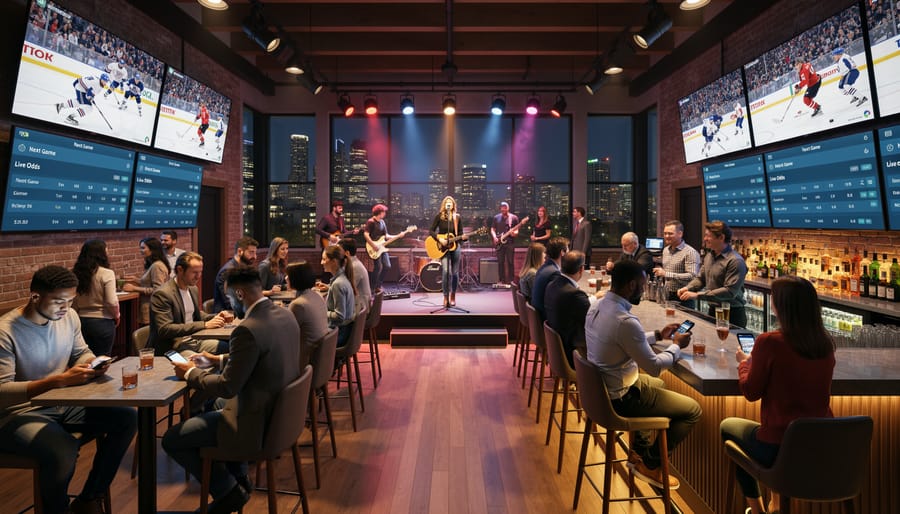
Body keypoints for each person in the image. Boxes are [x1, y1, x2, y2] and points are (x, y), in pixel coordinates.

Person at [162, 266, 301, 514]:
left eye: (229, 297)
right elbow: (262, 357)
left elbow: (227, 387)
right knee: (208, 406)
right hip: (283, 416)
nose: (229, 303)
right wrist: (217, 360)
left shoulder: (247, 329)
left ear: (239, 293)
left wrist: (192, 373)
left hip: (254, 422)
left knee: (173, 439)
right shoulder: (285, 314)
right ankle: (239, 477)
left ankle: (228, 490)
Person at [0, 266, 137, 514]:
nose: (65, 308)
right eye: (59, 301)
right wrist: (58, 381)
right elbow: (2, 392)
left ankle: (88, 499)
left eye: (70, 300)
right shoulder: (6, 331)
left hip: (62, 401)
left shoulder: (69, 317)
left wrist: (91, 362)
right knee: (63, 448)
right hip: (17, 414)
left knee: (127, 417)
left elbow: (80, 352)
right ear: (35, 297)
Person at [721, 276, 835, 514]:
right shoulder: (825, 344)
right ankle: (775, 504)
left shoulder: (769, 342)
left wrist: (744, 364)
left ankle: (758, 510)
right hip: (822, 447)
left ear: (781, 306)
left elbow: (750, 392)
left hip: (778, 447)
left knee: (728, 427)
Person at [585, 260, 701, 490]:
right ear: (630, 286)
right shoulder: (626, 322)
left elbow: (622, 340)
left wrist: (658, 335)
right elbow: (655, 365)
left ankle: (638, 450)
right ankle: (651, 463)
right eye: (642, 285)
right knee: (692, 410)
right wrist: (676, 346)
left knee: (658, 385)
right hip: (620, 399)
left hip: (599, 393)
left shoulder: (596, 306)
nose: (644, 289)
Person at [148, 252, 229, 356]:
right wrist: (204, 325)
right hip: (173, 346)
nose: (198, 276)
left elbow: (195, 314)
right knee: (196, 363)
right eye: (194, 272)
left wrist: (216, 316)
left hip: (194, 339)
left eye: (200, 272)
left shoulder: (193, 289)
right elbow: (165, 329)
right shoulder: (162, 294)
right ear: (180, 270)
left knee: (230, 347)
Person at [677, 220, 748, 328]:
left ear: (721, 237)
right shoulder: (709, 256)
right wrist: (688, 288)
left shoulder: (735, 261)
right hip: (713, 310)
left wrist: (697, 295)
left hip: (732, 313)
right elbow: (701, 279)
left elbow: (729, 291)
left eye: (708, 236)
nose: (705, 239)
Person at [72, 239, 120, 356]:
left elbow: (73, 301)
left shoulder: (75, 273)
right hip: (102, 322)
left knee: (84, 358)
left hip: (81, 321)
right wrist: (116, 315)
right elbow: (111, 301)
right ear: (101, 253)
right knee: (101, 360)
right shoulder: (107, 273)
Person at [544, 251, 591, 367]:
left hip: (557, 351)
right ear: (581, 269)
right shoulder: (575, 295)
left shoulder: (551, 285)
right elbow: (594, 323)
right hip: (574, 355)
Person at [286, 261, 329, 369]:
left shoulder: (298, 305)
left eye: (288, 275)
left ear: (295, 278)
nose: (286, 278)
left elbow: (286, 333)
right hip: (321, 358)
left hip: (306, 361)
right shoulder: (317, 295)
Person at [653, 220, 701, 309]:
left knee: (682, 323)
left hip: (683, 296)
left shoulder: (690, 252)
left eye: (670, 233)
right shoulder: (666, 250)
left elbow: (693, 276)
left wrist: (666, 274)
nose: (666, 236)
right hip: (667, 294)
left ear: (680, 234)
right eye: (665, 233)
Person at [122, 237, 171, 325]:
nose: (140, 250)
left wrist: (134, 288)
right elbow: (150, 283)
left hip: (153, 311)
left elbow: (157, 290)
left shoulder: (157, 266)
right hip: (149, 311)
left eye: (143, 248)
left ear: (152, 250)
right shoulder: (154, 264)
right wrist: (136, 280)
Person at [213, 236, 259, 317]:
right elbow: (230, 303)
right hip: (226, 318)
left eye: (255, 253)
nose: (255, 257)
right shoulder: (228, 270)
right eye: (251, 252)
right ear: (239, 251)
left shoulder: (243, 268)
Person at [322, 245, 357, 347]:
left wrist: (322, 312)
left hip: (340, 334)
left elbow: (339, 316)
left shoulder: (338, 284)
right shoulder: (342, 279)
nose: (321, 262)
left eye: (324, 259)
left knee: (306, 340)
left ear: (334, 261)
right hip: (343, 331)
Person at [430, 196, 462, 307]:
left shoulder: (457, 218)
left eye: (451, 202)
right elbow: (431, 231)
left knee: (455, 273)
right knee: (445, 271)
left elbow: (461, 234)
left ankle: (453, 294)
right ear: (444, 204)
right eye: (447, 202)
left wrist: (463, 238)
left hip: (455, 247)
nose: (449, 204)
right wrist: (439, 239)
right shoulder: (439, 217)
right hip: (443, 249)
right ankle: (445, 296)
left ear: (453, 205)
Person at [531, 236, 569, 319]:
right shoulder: (554, 273)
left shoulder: (544, 267)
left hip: (539, 316)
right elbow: (560, 302)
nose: (569, 254)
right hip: (546, 321)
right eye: (568, 250)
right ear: (562, 252)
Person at [364, 203, 393, 293]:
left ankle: (378, 285)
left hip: (382, 247)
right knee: (378, 267)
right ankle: (373, 287)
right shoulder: (371, 222)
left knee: (387, 266)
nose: (385, 214)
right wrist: (373, 245)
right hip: (373, 247)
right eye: (384, 212)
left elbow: (386, 236)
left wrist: (398, 235)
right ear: (379, 212)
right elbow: (366, 234)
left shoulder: (382, 222)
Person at [338, 238, 372, 315]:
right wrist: (327, 287)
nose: (337, 253)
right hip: (359, 304)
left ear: (347, 253)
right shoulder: (353, 263)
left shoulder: (354, 267)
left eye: (339, 251)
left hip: (360, 308)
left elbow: (346, 289)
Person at [491, 201, 520, 286]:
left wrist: (515, 233)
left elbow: (517, 229)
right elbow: (492, 229)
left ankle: (511, 281)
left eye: (505, 207)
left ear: (508, 208)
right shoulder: (496, 217)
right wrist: (494, 237)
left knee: (510, 262)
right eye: (502, 207)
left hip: (510, 243)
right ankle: (501, 280)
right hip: (500, 243)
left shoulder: (514, 218)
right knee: (500, 262)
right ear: (500, 208)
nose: (503, 209)